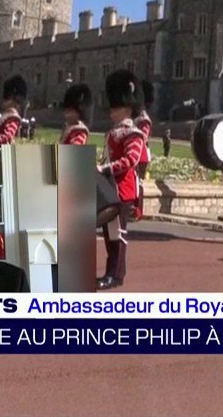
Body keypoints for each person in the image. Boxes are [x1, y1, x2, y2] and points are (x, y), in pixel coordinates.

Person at [95, 70, 147, 289]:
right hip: (112, 189)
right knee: (110, 235)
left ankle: (115, 275)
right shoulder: (115, 132)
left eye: (115, 107)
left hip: (123, 190)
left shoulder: (132, 133)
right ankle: (112, 272)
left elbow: (131, 160)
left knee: (117, 235)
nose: (111, 111)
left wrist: (105, 168)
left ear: (126, 108)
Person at [132, 80, 156, 221]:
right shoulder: (136, 118)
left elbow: (142, 138)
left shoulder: (143, 119)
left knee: (138, 182)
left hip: (140, 155)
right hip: (135, 153)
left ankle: (138, 210)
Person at [0, 75, 27, 145]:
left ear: (13, 99)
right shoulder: (6, 116)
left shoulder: (13, 117)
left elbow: (8, 136)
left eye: (6, 99)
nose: (3, 102)